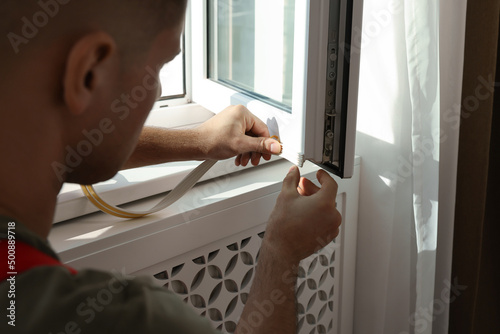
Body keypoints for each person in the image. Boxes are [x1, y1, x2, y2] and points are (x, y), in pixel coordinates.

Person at [0, 1, 342, 333]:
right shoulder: (122, 320)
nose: (157, 90)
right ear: (90, 72)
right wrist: (282, 252)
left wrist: (200, 141)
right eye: (158, 68)